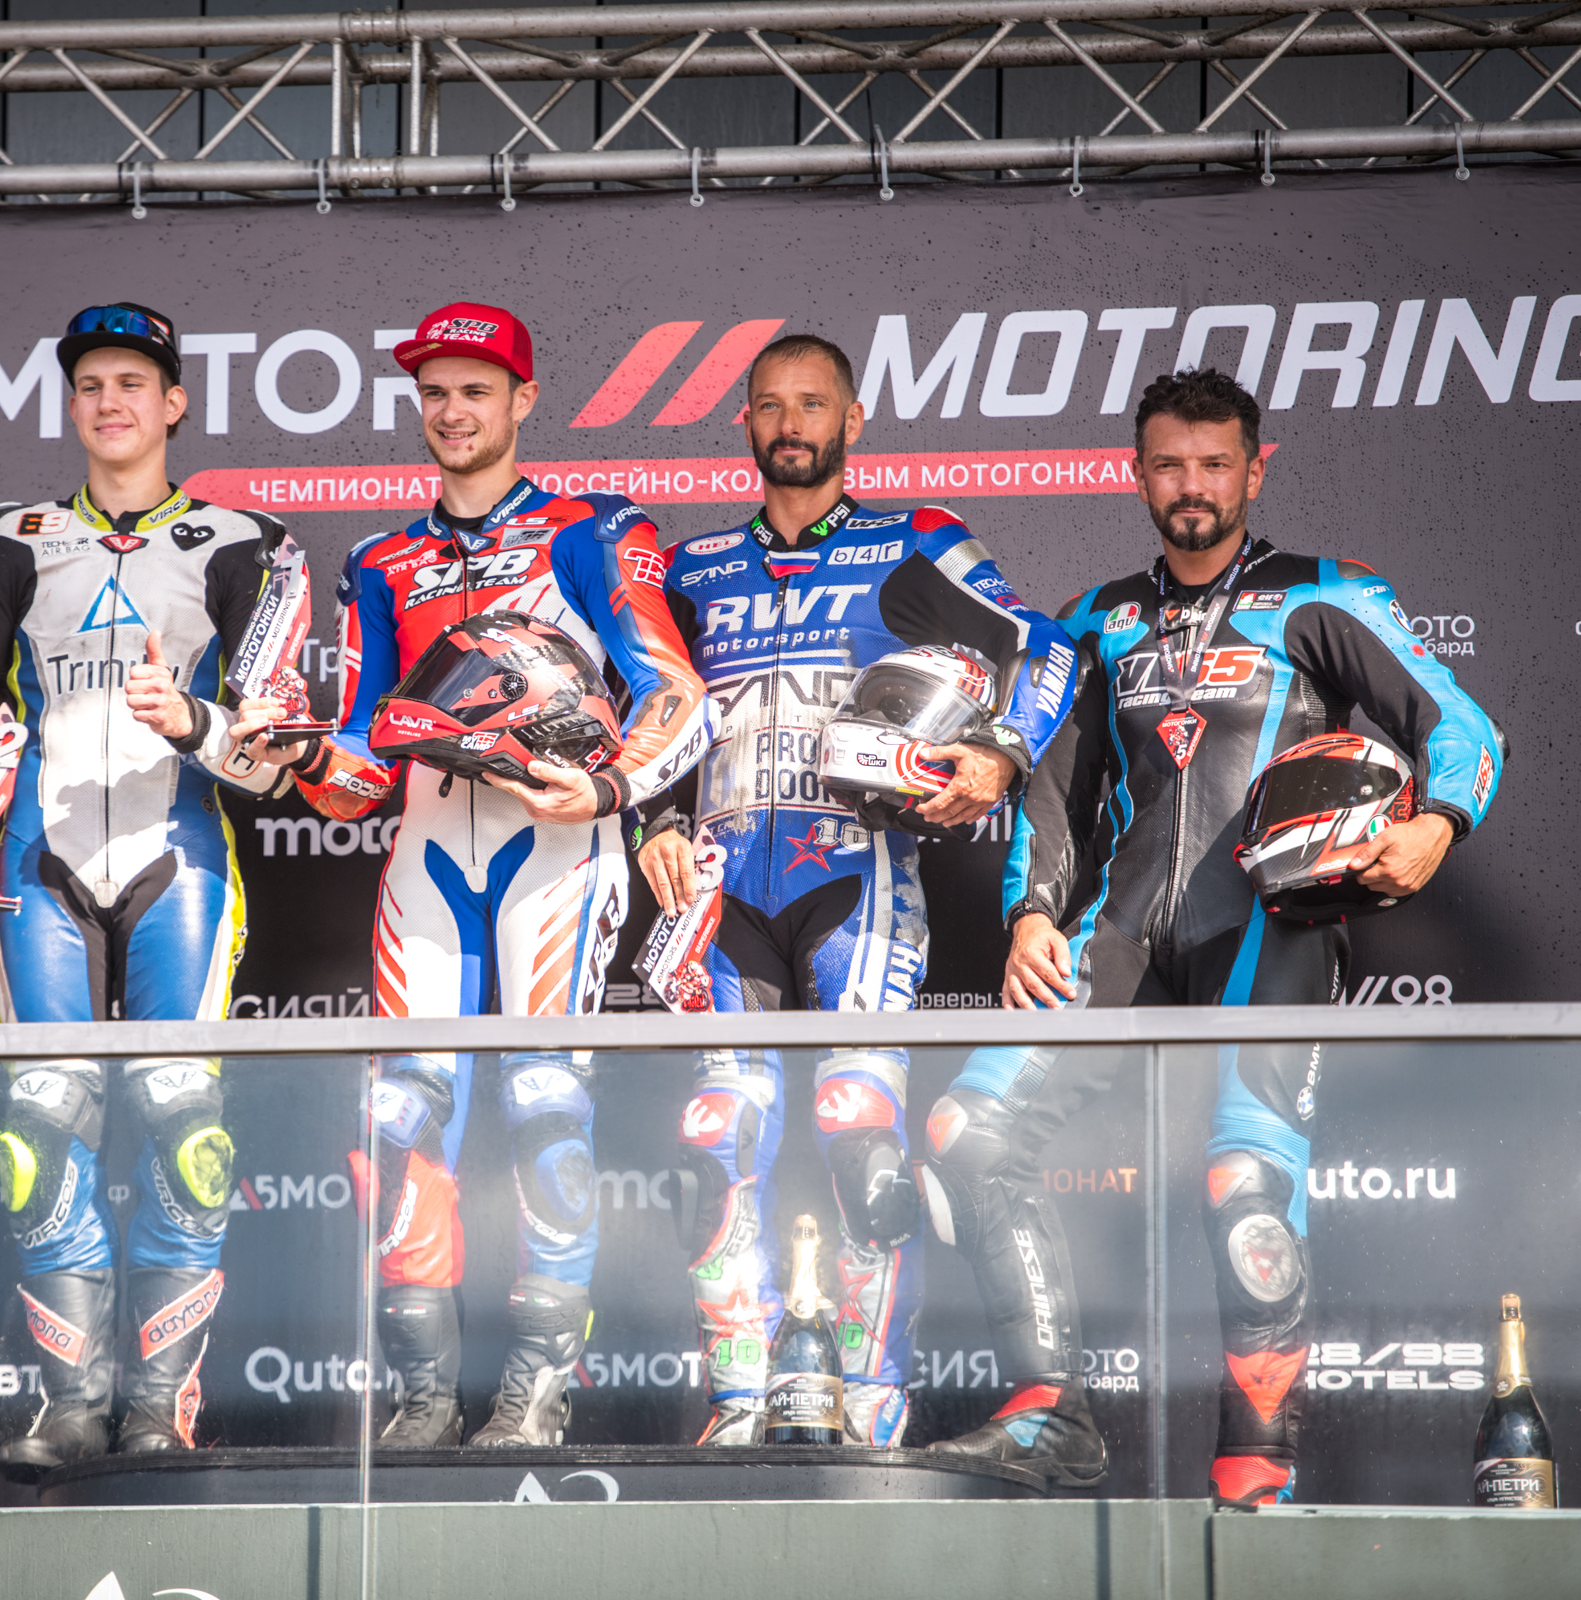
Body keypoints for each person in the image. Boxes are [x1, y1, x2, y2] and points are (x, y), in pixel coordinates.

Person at [921, 368, 1503, 1504]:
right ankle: (1049, 1418)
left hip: (1269, 932)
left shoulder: (1322, 595)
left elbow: (1462, 724)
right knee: (967, 1131)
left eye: (1215, 463)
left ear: (1255, 469)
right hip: (1116, 936)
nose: (1192, 485)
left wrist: (1437, 822)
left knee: (1246, 1191)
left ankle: (1256, 1475)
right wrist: (1030, 912)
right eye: (1170, 465)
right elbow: (1052, 786)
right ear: (1136, 473)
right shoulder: (1095, 619)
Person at [250, 302, 711, 1448]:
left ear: (523, 399)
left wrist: (609, 790)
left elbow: (676, 692)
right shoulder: (379, 560)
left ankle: (538, 1390)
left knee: (546, 1098)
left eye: (476, 390)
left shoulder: (592, 529)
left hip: (556, 846)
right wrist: (303, 753)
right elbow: (362, 765)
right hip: (425, 851)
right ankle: (422, 1395)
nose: (452, 412)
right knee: (399, 1113)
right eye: (435, 392)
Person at [638, 334, 1077, 1447]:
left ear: (853, 420)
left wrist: (1000, 757)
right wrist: (652, 823)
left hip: (858, 873)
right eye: (769, 405)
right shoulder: (691, 571)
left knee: (861, 1137)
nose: (790, 423)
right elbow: (639, 713)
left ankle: (872, 1406)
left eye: (812, 403)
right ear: (742, 421)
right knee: (715, 1139)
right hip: (720, 891)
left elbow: (1048, 651)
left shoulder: (911, 541)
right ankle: (739, 1398)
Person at [0, 303, 294, 1474]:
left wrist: (197, 721)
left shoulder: (250, 543)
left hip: (183, 858)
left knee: (188, 1130)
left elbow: (276, 758)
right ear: (70, 405)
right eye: (90, 384)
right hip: (39, 862)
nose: (110, 401)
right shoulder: (2, 540)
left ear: (174, 403)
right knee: (37, 1128)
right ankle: (71, 1402)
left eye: (133, 382)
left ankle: (160, 1402)